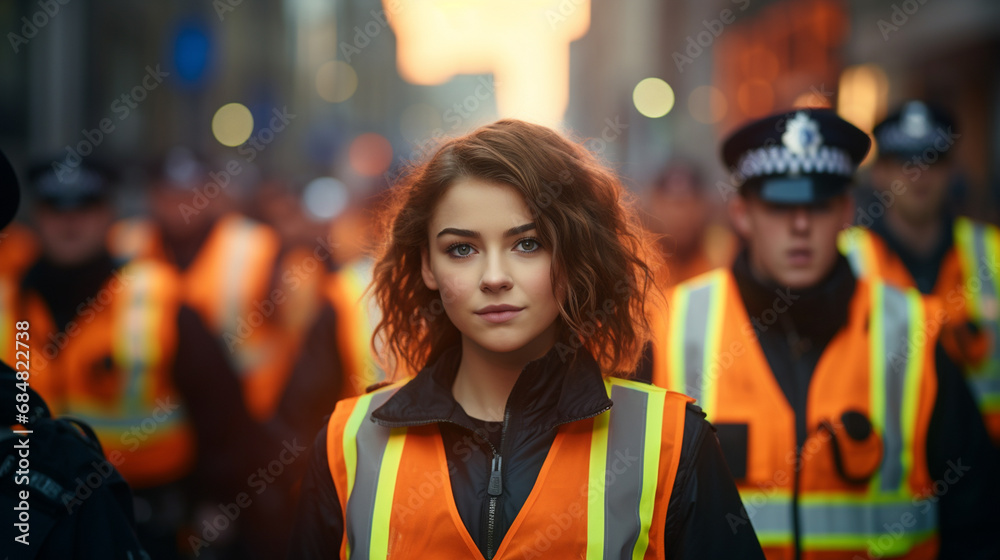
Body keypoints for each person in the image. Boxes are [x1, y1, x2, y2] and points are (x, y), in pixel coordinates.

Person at [288, 119, 764, 559]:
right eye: (462, 249)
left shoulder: (672, 442)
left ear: (574, 255)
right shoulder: (347, 444)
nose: (494, 277)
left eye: (527, 244)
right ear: (427, 266)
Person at [649, 108, 1000, 558]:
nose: (800, 225)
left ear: (846, 211)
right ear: (742, 214)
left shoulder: (913, 331)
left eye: (818, 205)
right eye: (779, 204)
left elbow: (977, 519)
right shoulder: (671, 324)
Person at [839, 100, 1000, 445]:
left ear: (952, 171)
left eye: (933, 160)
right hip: (890, 468)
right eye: (903, 162)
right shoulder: (845, 259)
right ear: (879, 173)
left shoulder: (993, 253)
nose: (919, 175)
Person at [646, 160, 738, 287]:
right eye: (675, 204)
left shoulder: (723, 254)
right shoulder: (642, 258)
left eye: (688, 203)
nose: (680, 215)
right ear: (656, 205)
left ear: (703, 206)